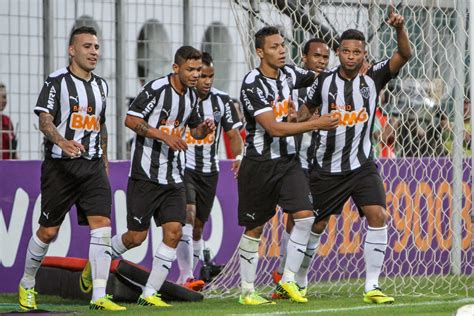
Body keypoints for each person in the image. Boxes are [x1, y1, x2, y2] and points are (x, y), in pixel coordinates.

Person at [81, 46, 215, 308]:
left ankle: (150, 293)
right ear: (176, 68)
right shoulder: (156, 90)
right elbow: (130, 120)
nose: (196, 75)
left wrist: (202, 129)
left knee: (174, 232)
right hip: (145, 176)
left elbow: (194, 132)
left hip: (174, 177)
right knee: (135, 237)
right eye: (190, 70)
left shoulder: (193, 97)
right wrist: (164, 135)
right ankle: (97, 260)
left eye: (199, 70)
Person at [296, 8, 411, 304]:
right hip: (326, 167)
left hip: (362, 165)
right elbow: (303, 115)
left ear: (363, 54)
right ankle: (300, 279)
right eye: (346, 51)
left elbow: (405, 54)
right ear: (338, 53)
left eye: (356, 52)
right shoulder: (321, 83)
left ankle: (372, 285)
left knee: (378, 215)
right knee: (316, 225)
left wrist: (399, 29)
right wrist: (287, 125)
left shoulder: (373, 79)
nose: (351, 56)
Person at [18, 26, 125, 311]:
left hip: (92, 167)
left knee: (102, 227)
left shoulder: (102, 85)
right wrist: (62, 141)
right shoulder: (56, 82)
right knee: (48, 232)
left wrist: (104, 158)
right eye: (87, 46)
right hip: (61, 168)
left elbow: (101, 124)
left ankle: (99, 296)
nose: (94, 52)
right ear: (72, 50)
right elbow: (44, 120)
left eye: (97, 47)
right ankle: (28, 282)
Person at [237, 26, 339, 305]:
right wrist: (315, 122)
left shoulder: (291, 74)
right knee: (255, 229)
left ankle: (289, 279)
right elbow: (273, 129)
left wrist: (353, 68)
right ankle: (247, 291)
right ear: (260, 52)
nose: (281, 50)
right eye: (274, 47)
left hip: (288, 162)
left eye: (283, 45)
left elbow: (321, 74)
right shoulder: (252, 84)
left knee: (305, 216)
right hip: (259, 164)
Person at [176, 52, 244, 290]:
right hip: (184, 167)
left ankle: (187, 277)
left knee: (198, 228)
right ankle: (186, 276)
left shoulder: (222, 100)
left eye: (210, 76)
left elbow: (234, 134)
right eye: (202, 75)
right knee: (189, 213)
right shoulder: (183, 98)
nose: (206, 80)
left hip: (210, 170)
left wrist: (238, 157)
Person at [271, 38, 330, 294]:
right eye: (316, 56)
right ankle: (286, 274)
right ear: (304, 58)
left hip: (327, 160)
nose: (321, 61)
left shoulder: (332, 84)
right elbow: (280, 117)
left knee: (320, 221)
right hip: (299, 159)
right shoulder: (291, 84)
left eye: (325, 57)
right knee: (297, 217)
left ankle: (298, 276)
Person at [0, 83, 18, 159]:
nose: (4, 100)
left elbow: (12, 150)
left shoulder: (7, 121)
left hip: (6, 166)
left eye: (5, 97)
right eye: (3, 97)